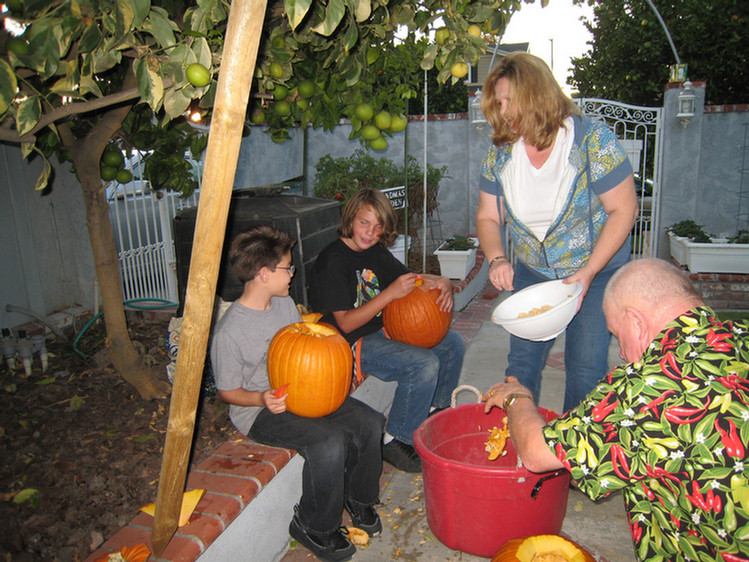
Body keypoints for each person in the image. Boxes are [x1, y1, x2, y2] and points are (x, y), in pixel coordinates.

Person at [482, 258, 749, 562]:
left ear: (635, 321)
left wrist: (517, 397)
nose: (621, 353)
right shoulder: (738, 335)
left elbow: (536, 452)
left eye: (616, 334)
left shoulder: (648, 387)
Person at [475, 52, 639, 413]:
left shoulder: (591, 140)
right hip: (534, 273)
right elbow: (488, 217)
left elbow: (624, 209)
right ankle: (519, 449)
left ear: (536, 96)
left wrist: (589, 270)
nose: (502, 112)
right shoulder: (500, 155)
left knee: (585, 370)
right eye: (497, 103)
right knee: (520, 368)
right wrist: (497, 257)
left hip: (595, 273)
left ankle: (574, 461)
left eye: (509, 101)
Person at [210, 225, 385, 562]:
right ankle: (313, 525)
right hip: (262, 409)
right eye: (287, 268)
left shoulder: (283, 303)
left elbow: (303, 346)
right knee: (328, 442)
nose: (292, 274)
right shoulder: (230, 331)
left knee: (369, 421)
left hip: (302, 390)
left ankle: (359, 498)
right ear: (263, 274)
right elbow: (228, 391)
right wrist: (261, 399)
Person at [309, 187, 465, 473]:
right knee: (424, 364)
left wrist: (441, 279)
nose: (370, 232)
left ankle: (434, 411)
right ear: (350, 218)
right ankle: (396, 438)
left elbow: (411, 279)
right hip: (349, 343)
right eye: (363, 223)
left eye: (378, 227)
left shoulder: (374, 253)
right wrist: (389, 295)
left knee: (451, 343)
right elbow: (345, 323)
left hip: (382, 331)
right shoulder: (333, 261)